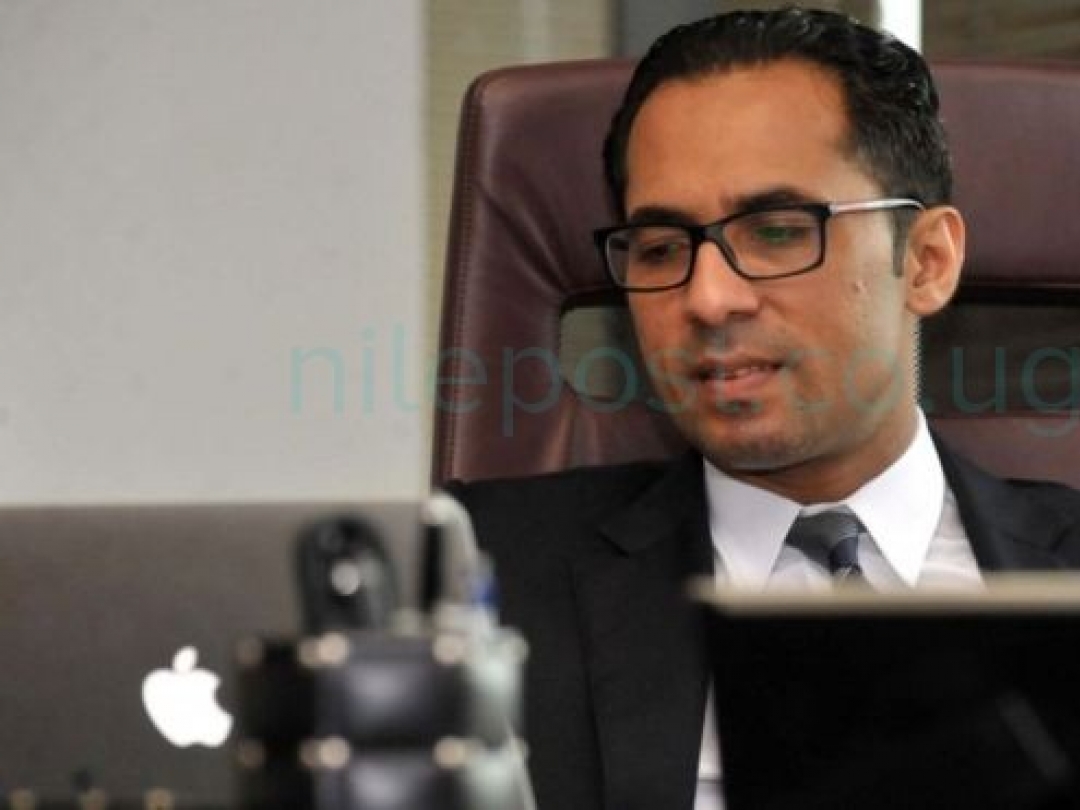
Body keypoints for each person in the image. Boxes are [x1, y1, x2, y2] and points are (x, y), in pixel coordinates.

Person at [447, 7, 1080, 810]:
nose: (708, 299)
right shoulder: (474, 573)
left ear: (926, 261)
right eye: (662, 248)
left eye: (778, 232)